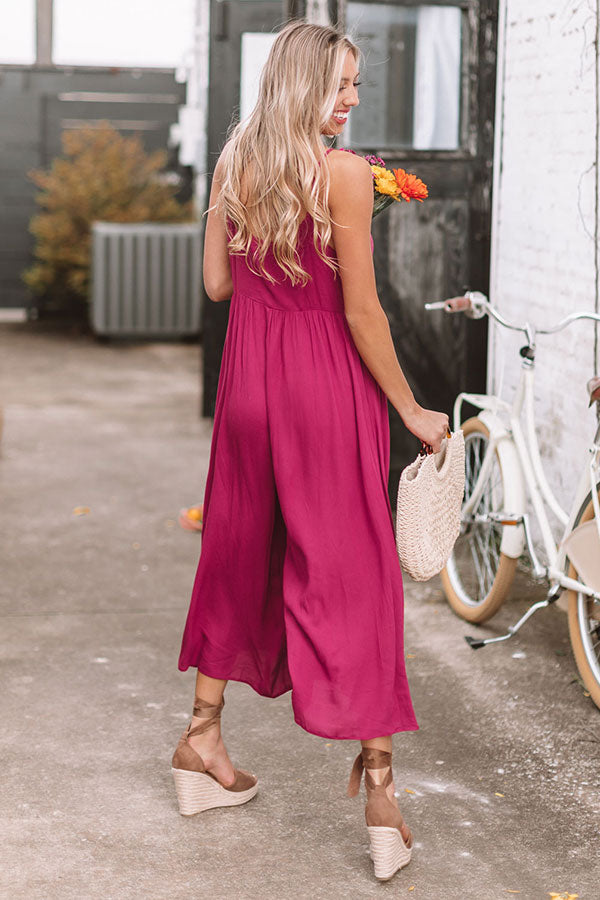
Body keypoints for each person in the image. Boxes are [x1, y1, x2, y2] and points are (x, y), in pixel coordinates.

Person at [171, 20, 449, 882]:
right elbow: (361, 311)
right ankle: (381, 798)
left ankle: (201, 741)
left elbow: (217, 283)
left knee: (236, 551)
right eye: (344, 85)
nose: (354, 99)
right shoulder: (346, 174)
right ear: (306, 85)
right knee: (353, 573)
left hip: (248, 388)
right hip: (324, 391)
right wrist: (411, 408)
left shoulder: (235, 161)